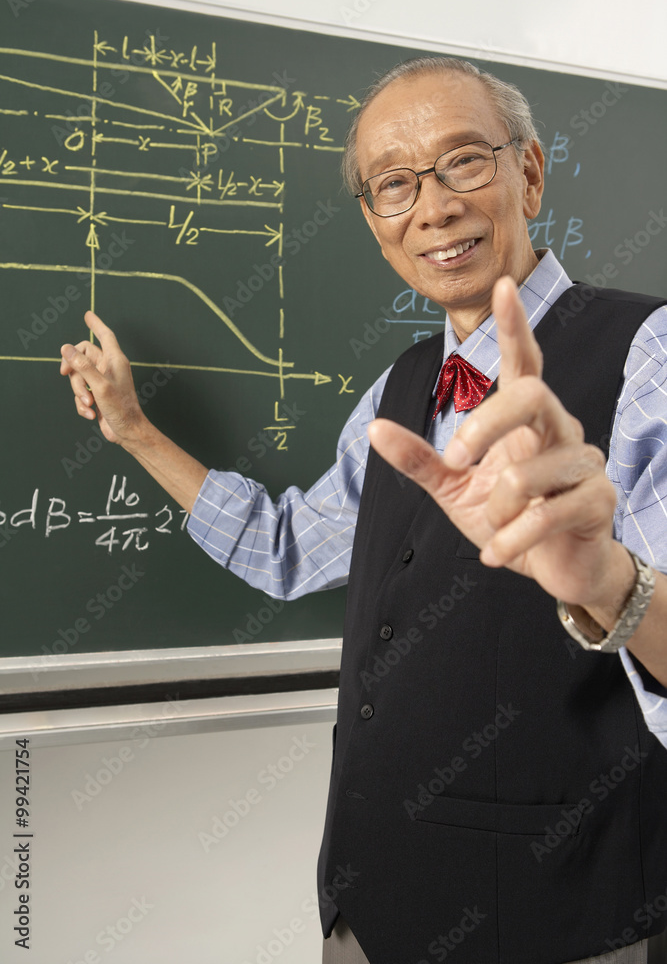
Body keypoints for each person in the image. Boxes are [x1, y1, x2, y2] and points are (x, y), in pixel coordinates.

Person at [60, 57, 667, 964]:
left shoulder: (647, 352)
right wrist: (137, 431)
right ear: (375, 224)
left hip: (555, 915)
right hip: (365, 908)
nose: (432, 207)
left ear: (529, 173)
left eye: (464, 162)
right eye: (394, 185)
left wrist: (607, 580)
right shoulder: (401, 386)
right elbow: (287, 549)